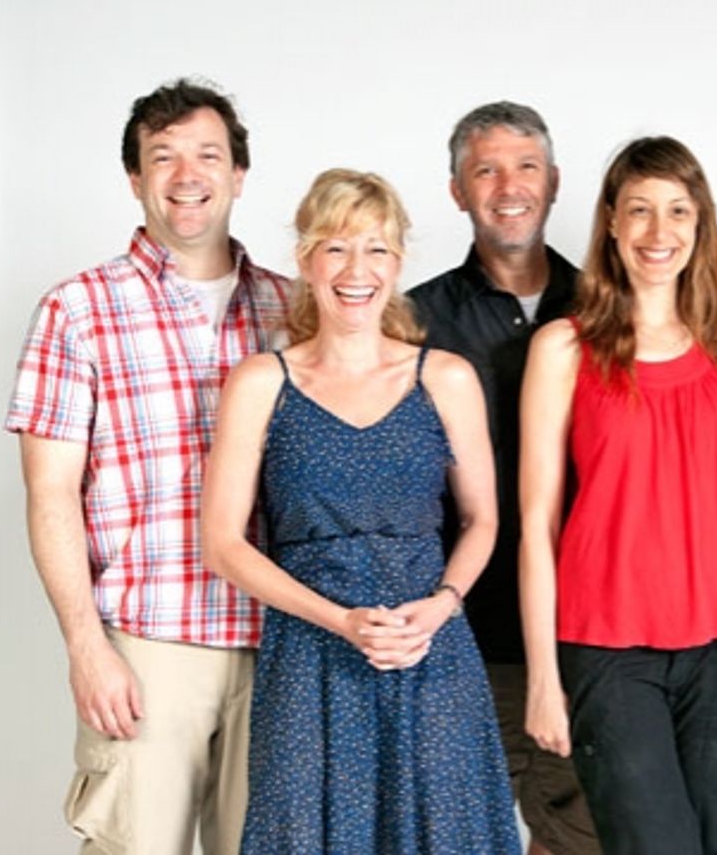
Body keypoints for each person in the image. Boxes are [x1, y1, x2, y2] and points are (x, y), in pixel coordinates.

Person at [5, 79, 291, 854]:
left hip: (283, 648)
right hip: (147, 641)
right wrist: (86, 647)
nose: (185, 174)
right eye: (161, 157)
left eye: (207, 154)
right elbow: (51, 492)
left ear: (239, 173)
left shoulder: (295, 311)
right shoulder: (78, 310)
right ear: (135, 179)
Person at [201, 169, 520, 853]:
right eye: (337, 247)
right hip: (310, 658)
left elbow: (483, 520)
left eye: (376, 248)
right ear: (307, 260)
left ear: (398, 262)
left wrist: (440, 606)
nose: (357, 269)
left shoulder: (446, 377)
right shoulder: (262, 382)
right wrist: (341, 620)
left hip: (429, 651)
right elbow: (223, 543)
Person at [519, 136, 717, 855]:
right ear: (611, 221)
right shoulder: (564, 347)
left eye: (677, 210)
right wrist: (545, 678)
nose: (658, 231)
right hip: (611, 650)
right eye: (639, 210)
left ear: (700, 223)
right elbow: (536, 522)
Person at [408, 101, 598, 855]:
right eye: (485, 169)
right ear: (457, 190)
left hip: (590, 630)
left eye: (525, 167)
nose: (507, 186)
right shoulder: (413, 321)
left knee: (583, 835)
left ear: (553, 182)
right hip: (466, 634)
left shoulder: (608, 308)